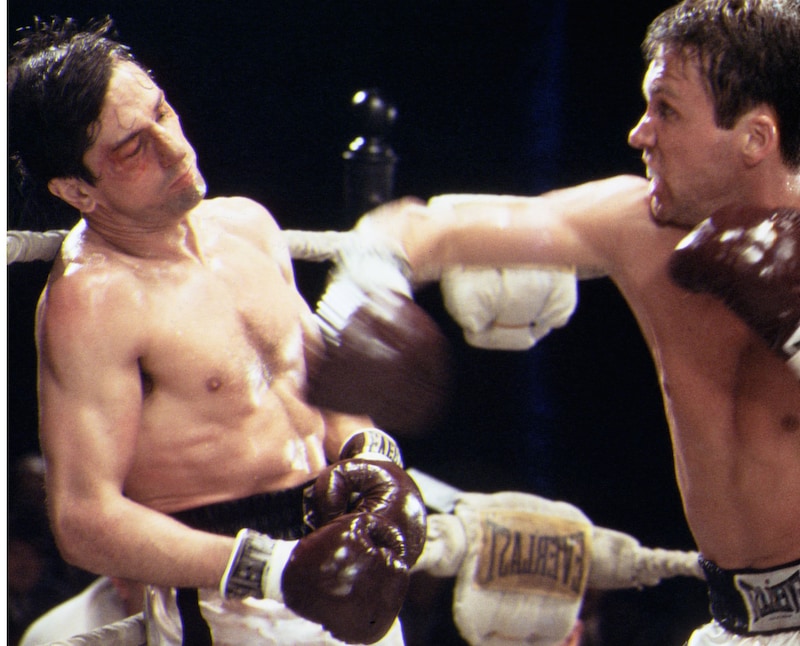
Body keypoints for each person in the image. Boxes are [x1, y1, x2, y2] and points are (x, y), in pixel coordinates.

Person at [359, 1, 800, 644]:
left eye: (667, 111)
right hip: (735, 623)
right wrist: (363, 294)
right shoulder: (636, 227)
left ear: (755, 138)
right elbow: (430, 230)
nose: (640, 133)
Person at [8, 17, 427, 645]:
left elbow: (319, 394)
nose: (173, 148)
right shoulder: (92, 302)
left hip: (346, 553)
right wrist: (270, 569)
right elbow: (82, 518)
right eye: (132, 147)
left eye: (163, 113)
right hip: (230, 597)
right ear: (76, 189)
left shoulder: (248, 225)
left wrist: (374, 464)